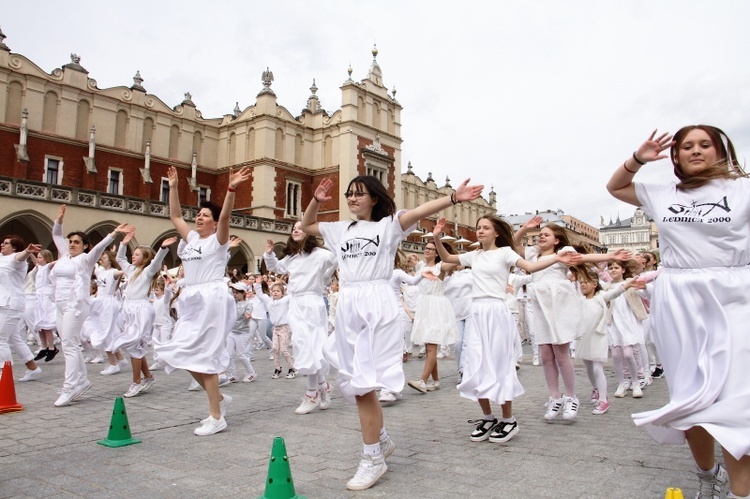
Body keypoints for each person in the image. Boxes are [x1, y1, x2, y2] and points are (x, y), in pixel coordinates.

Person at [300, 175, 484, 491]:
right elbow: (306, 226)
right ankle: (380, 440)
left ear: (375, 198)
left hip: (378, 303)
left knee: (364, 383)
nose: (352, 198)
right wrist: (316, 199)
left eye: (359, 194)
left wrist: (453, 198)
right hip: (348, 303)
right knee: (352, 379)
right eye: (349, 194)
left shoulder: (388, 225)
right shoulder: (340, 228)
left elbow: (419, 210)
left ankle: (372, 458)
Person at [607, 126, 750, 498]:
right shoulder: (662, 193)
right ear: (676, 156)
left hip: (736, 292)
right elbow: (615, 187)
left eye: (705, 144)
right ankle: (707, 475)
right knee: (689, 394)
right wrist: (638, 158)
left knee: (739, 399)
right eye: (687, 146)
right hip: (680, 298)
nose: (696, 151)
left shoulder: (744, 189)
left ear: (722, 151)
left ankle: (741, 492)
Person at [432, 216, 581, 443]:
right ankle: (488, 417)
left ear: (496, 233)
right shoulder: (474, 255)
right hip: (477, 311)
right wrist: (436, 237)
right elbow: (447, 258)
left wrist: (557, 258)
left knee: (500, 364)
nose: (480, 231)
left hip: (497, 310)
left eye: (485, 228)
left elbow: (530, 267)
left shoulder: (505, 254)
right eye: (478, 228)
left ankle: (509, 420)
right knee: (475, 364)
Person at [155, 166, 249, 436]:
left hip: (213, 299)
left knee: (205, 357)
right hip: (192, 298)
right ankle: (218, 400)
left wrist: (231, 189)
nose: (199, 217)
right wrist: (173, 186)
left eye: (205, 215)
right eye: (198, 214)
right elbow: (174, 215)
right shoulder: (193, 238)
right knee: (180, 352)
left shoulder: (218, 241)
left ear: (215, 223)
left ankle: (216, 415)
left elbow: (227, 215)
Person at [514, 219, 629, 421]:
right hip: (540, 304)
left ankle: (570, 396)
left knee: (561, 354)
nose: (541, 236)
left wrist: (611, 255)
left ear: (557, 240)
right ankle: (554, 397)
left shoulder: (564, 252)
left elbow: (584, 257)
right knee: (546, 355)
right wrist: (524, 228)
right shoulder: (533, 254)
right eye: (540, 234)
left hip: (559, 303)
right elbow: (514, 245)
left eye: (546, 234)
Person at [49, 205, 130, 407]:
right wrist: (59, 219)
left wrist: (114, 234)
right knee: (72, 344)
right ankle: (81, 380)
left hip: (75, 305)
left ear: (85, 246)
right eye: (71, 242)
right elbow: (57, 235)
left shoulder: (86, 259)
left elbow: (100, 247)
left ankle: (70, 386)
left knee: (68, 344)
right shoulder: (64, 255)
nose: (72, 244)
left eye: (77, 242)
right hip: (59, 304)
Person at [263, 223, 337, 415]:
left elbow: (336, 258)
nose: (295, 230)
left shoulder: (320, 254)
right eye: (293, 228)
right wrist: (270, 253)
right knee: (303, 345)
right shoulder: (292, 257)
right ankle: (323, 386)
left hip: (312, 302)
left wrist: (333, 239)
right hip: (295, 304)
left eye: (300, 228)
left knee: (312, 347)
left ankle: (312, 393)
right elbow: (275, 267)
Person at [113, 230, 176, 398]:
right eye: (133, 254)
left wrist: (162, 248)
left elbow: (156, 263)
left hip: (141, 310)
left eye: (137, 254)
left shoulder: (147, 271)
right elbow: (120, 259)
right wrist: (123, 244)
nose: (133, 256)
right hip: (130, 309)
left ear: (145, 257)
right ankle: (147, 376)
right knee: (134, 346)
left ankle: (136, 381)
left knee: (135, 347)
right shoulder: (130, 269)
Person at [576, 267, 642, 415]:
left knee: (597, 368)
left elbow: (616, 292)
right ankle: (596, 389)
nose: (582, 285)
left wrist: (628, 283)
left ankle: (604, 400)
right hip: (583, 337)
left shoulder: (601, 297)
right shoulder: (579, 300)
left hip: (598, 336)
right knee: (587, 366)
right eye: (581, 282)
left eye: (586, 282)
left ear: (594, 284)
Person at [407, 241, 457, 394]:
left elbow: (454, 261)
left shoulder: (440, 266)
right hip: (424, 305)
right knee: (429, 344)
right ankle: (435, 380)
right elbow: (406, 260)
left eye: (431, 249)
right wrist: (411, 257)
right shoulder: (421, 267)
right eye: (426, 248)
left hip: (436, 306)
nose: (427, 250)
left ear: (437, 253)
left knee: (431, 345)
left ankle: (422, 380)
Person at [0, 235, 42, 380]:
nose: (2, 245)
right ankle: (33, 368)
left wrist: (27, 251)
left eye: (6, 244)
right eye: (2, 243)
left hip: (11, 304)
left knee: (0, 339)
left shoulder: (16, 260)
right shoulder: (1, 258)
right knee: (14, 339)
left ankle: (4, 374)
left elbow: (20, 257)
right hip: (3, 303)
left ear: (14, 247)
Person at [90, 250, 127, 374]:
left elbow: (124, 271)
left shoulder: (113, 272)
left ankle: (113, 363)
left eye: (104, 257)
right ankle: (120, 359)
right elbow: (93, 263)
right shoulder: (101, 271)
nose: (102, 258)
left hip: (108, 303)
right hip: (100, 303)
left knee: (105, 332)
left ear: (110, 259)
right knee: (109, 330)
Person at [252, 277, 296, 379]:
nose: (275, 293)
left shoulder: (285, 300)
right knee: (275, 348)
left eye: (278, 291)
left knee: (283, 350)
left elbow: (292, 294)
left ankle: (292, 368)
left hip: (284, 328)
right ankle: (277, 368)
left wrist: (290, 280)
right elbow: (260, 295)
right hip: (275, 328)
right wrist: (258, 284)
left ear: (282, 293)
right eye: (274, 291)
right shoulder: (269, 301)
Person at [224, 281, 256, 383]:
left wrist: (248, 316)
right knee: (228, 354)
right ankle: (233, 374)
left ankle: (251, 373)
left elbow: (248, 314)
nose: (235, 294)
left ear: (243, 293)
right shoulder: (233, 303)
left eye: (237, 292)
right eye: (234, 292)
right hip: (232, 332)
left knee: (241, 355)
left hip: (243, 333)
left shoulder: (247, 304)